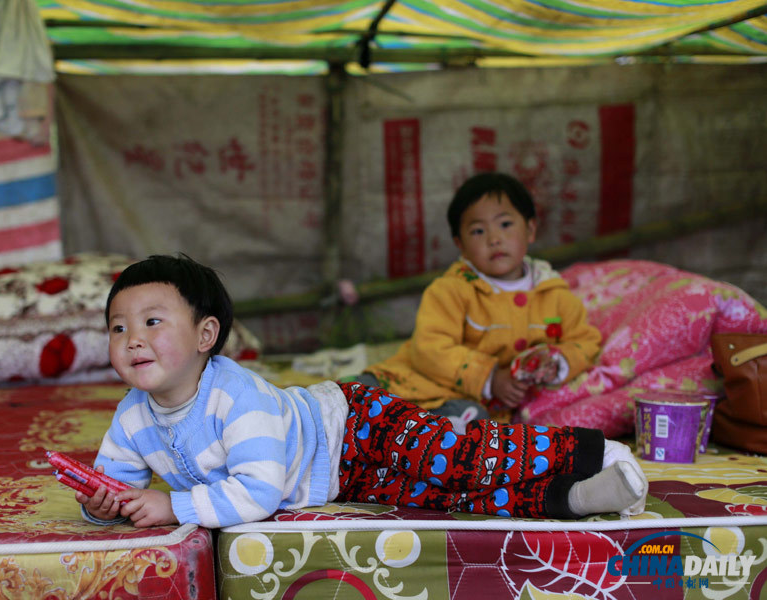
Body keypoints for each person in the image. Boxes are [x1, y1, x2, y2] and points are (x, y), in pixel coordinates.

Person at [75, 253, 645, 530]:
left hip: (353, 423)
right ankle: (577, 498)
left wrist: (169, 504)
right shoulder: (132, 417)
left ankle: (595, 452)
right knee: (445, 498)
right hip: (342, 477)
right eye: (118, 327)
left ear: (206, 335)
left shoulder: (234, 394)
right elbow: (120, 489)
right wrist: (102, 504)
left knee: (451, 459)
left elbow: (258, 494)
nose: (132, 339)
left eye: (152, 322)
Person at [361, 172, 601, 428]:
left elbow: (585, 343)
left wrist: (558, 362)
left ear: (530, 230)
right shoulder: (452, 289)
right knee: (354, 400)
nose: (494, 239)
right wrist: (488, 377)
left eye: (505, 224)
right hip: (412, 382)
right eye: (477, 230)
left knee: (470, 425)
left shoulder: (556, 295)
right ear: (460, 244)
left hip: (466, 407)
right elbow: (429, 348)